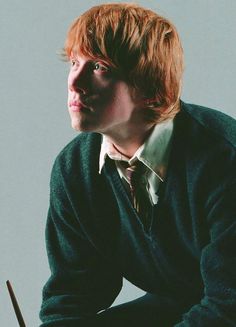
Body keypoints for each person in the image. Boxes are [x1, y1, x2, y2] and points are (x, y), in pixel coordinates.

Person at [39, 3, 236, 326]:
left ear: (149, 87)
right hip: (183, 300)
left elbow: (228, 305)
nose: (75, 82)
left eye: (100, 67)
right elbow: (73, 294)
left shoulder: (222, 157)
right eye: (75, 62)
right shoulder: (74, 168)